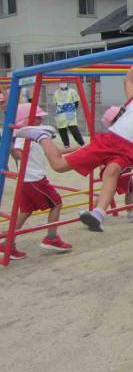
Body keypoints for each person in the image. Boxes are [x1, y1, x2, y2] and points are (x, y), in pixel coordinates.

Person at [15, 59, 133, 232]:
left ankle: (98, 213)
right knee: (59, 166)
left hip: (127, 151)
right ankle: (42, 136)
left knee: (112, 171)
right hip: (108, 141)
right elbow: (128, 81)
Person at [4, 103, 73, 259]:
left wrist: (79, 149)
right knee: (56, 203)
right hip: (34, 180)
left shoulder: (37, 134)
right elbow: (18, 155)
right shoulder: (24, 136)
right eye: (38, 117)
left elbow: (55, 151)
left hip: (27, 180)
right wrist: (9, 144)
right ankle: (51, 238)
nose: (41, 119)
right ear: (27, 119)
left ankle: (8, 242)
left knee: (26, 212)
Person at [100, 106, 133, 223]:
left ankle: (94, 211)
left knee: (107, 191)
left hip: (113, 167)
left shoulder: (112, 133)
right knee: (128, 191)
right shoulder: (122, 133)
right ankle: (130, 212)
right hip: (122, 167)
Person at [53, 82, 85, 148]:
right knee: (62, 129)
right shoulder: (56, 92)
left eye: (64, 82)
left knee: (73, 128)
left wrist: (71, 109)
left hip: (69, 112)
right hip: (60, 113)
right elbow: (55, 102)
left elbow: (76, 102)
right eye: (61, 82)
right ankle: (66, 145)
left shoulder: (72, 91)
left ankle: (82, 143)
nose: (62, 83)